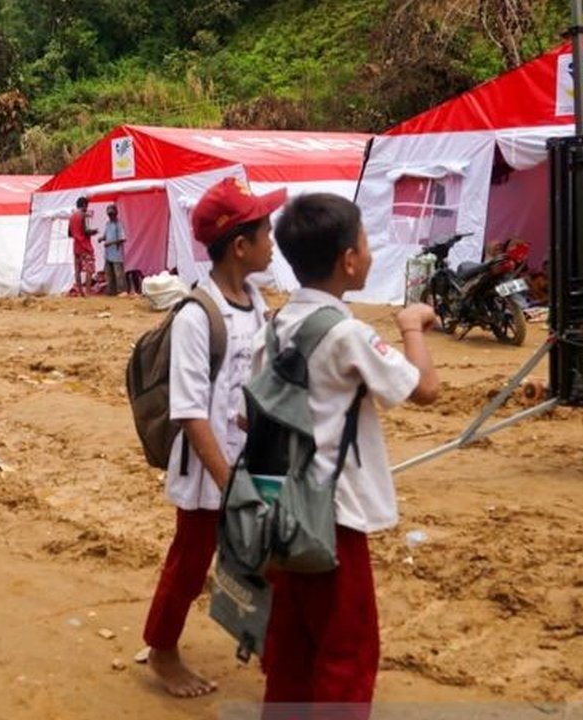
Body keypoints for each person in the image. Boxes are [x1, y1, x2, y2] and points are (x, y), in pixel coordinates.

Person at [255, 194, 439, 716]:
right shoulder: (348, 334)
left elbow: (251, 414)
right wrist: (410, 327)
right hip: (335, 516)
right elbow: (423, 388)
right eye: (365, 243)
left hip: (281, 509)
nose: (370, 254)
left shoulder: (274, 327)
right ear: (350, 260)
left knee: (291, 647)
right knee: (347, 652)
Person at [142, 176, 280, 699]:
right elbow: (191, 411)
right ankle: (162, 648)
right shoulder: (198, 316)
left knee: (261, 554)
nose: (273, 240)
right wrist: (228, 483)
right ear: (240, 247)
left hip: (249, 459)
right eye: (265, 231)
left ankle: (267, 642)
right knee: (192, 558)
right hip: (209, 469)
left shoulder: (256, 301)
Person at [67, 197, 98, 297]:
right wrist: (94, 231)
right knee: (89, 269)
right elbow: (86, 231)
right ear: (84, 205)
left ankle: (80, 292)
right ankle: (88, 292)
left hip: (76, 246)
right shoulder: (83, 216)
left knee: (77, 270)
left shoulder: (72, 217)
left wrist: (77, 235)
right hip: (85, 246)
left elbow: (69, 234)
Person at [100, 203, 128, 296]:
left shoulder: (119, 224)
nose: (110, 216)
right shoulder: (107, 224)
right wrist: (102, 238)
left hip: (116, 254)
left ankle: (121, 291)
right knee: (109, 274)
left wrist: (110, 243)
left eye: (112, 214)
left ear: (116, 213)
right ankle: (111, 291)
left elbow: (123, 238)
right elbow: (106, 235)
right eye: (109, 214)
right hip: (108, 253)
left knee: (118, 273)